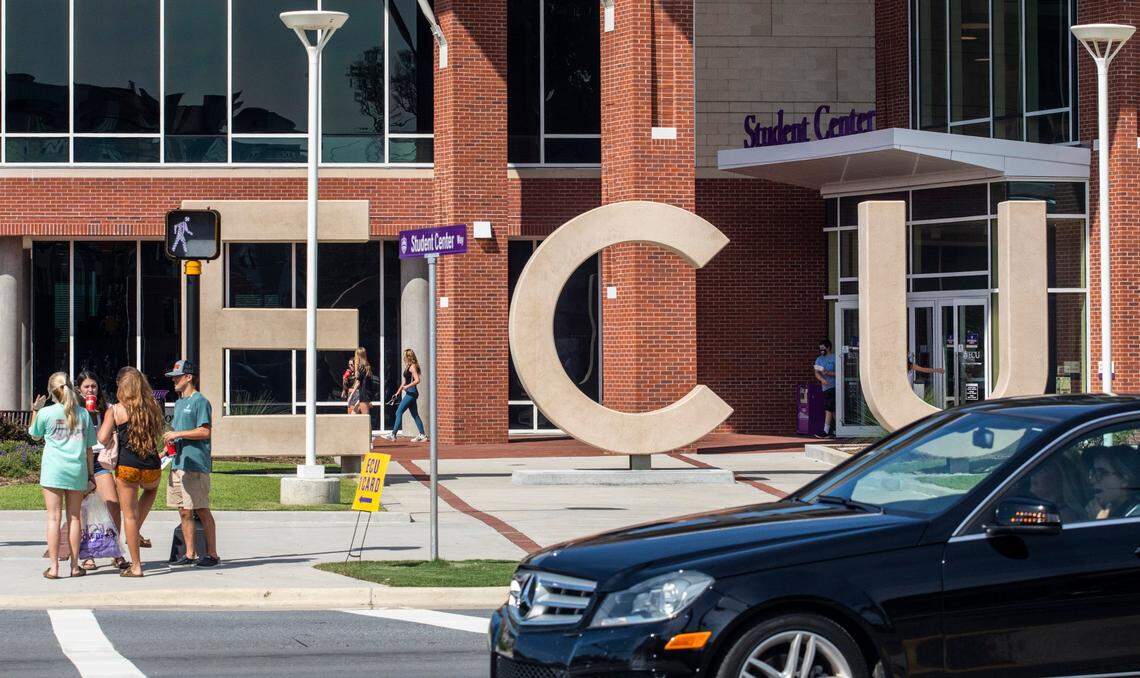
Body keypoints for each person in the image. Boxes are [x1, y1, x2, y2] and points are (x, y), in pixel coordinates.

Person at [30, 372, 98, 579]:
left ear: (52, 392)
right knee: (75, 517)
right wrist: (91, 475)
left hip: (53, 470)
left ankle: (54, 567)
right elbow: (89, 449)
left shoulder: (46, 413)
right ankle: (75, 566)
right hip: (76, 469)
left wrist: (35, 410)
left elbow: (34, 434)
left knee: (53, 518)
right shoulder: (84, 414)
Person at [99, 367, 164, 578]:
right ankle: (135, 530)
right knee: (151, 491)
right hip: (151, 466)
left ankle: (136, 566)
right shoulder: (153, 406)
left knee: (129, 516)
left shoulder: (116, 410)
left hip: (127, 467)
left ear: (121, 387)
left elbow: (102, 438)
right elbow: (158, 433)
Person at [163, 360, 219, 568]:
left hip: (196, 465)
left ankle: (212, 554)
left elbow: (205, 431)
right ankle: (190, 554)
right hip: (178, 464)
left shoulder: (200, 401)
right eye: (173, 377)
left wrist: (178, 433)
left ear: (188, 377)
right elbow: (179, 436)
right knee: (183, 510)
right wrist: (167, 448)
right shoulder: (178, 403)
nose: (174, 381)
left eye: (177, 377)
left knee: (201, 509)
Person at [75, 370, 129, 571]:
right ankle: (87, 555)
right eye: (86, 387)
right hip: (80, 460)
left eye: (94, 386)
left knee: (113, 504)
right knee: (82, 508)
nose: (91, 390)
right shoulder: (75, 410)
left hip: (101, 460)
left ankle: (115, 551)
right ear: (79, 390)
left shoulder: (106, 408)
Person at [380, 349, 427, 442]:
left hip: (411, 393)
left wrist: (407, 387)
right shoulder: (408, 366)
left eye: (404, 355)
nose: (403, 357)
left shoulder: (412, 367)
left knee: (398, 412)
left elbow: (417, 380)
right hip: (410, 393)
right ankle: (422, 435)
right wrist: (397, 393)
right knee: (415, 415)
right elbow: (404, 382)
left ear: (408, 356)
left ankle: (393, 434)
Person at [1085, 445, 1140, 520]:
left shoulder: (1135, 515)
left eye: (1101, 473)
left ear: (1124, 479)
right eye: (1093, 472)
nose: (1092, 481)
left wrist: (1099, 522)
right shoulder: (1109, 510)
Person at [813, 339, 836, 438]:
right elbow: (816, 373)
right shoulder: (819, 359)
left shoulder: (835, 357)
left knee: (828, 408)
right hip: (825, 387)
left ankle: (826, 431)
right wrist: (822, 379)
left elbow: (841, 373)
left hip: (835, 386)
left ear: (828, 347)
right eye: (820, 348)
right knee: (833, 409)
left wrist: (828, 373)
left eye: (823, 348)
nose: (821, 350)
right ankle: (838, 429)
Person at [342, 347, 373, 416]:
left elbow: (358, 382)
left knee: (365, 418)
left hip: (364, 395)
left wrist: (351, 395)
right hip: (364, 394)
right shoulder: (367, 367)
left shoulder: (362, 367)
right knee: (353, 414)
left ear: (358, 356)